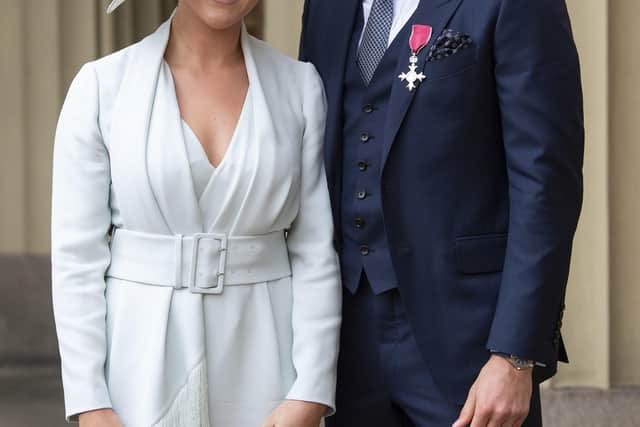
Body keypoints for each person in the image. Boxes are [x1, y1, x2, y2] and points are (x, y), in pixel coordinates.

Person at [51, 1, 341, 426]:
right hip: (138, 370)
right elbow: (76, 259)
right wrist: (89, 401)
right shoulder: (101, 87)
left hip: (267, 367)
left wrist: (311, 389)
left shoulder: (300, 87)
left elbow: (315, 249)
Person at [299, 0, 584, 426]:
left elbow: (545, 186)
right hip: (345, 340)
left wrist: (515, 354)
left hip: (469, 344)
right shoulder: (325, 6)